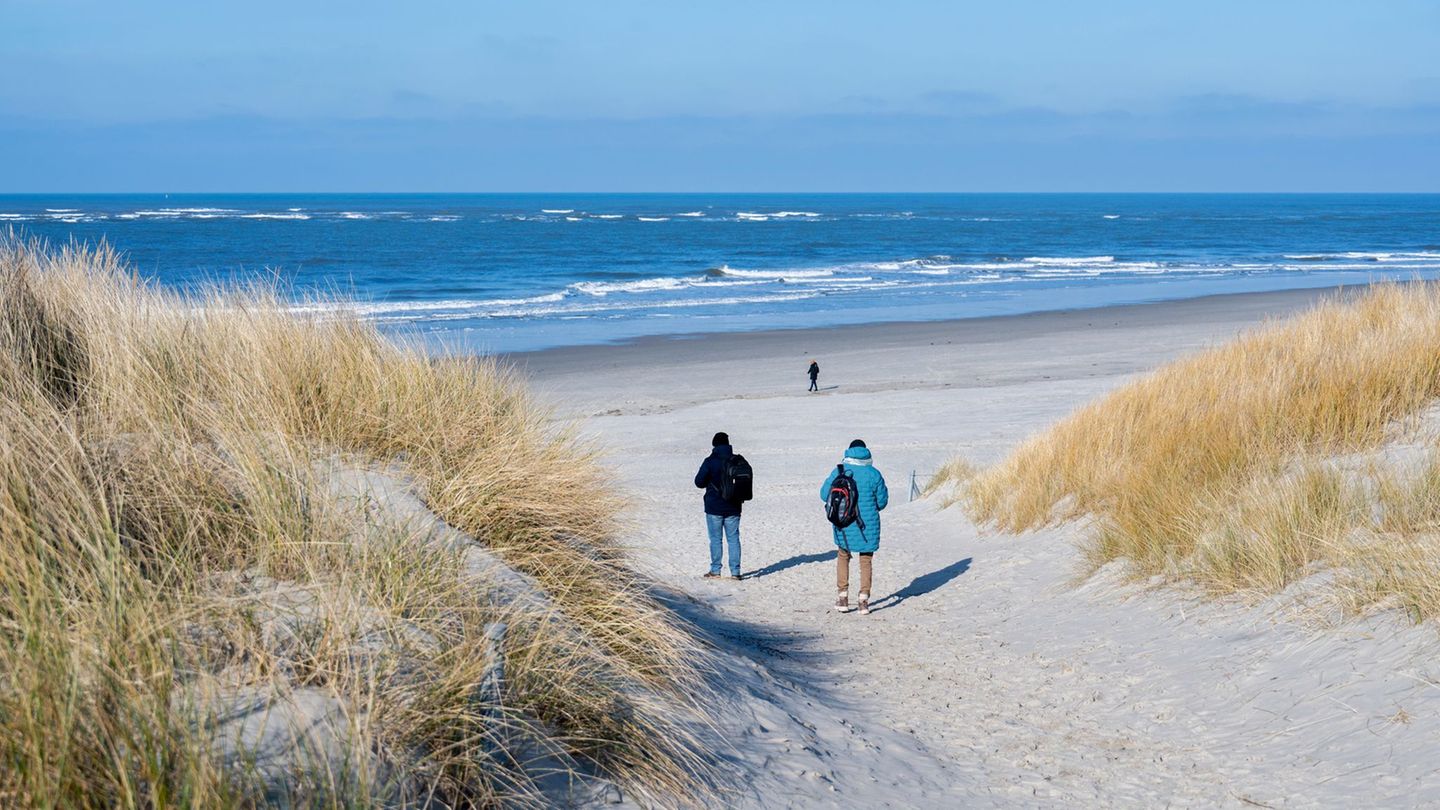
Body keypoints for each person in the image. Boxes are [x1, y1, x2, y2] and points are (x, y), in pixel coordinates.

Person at [821, 439, 888, 615]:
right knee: (865, 560)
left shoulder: (839, 471)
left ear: (848, 452)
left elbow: (823, 494)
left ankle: (843, 598)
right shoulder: (874, 474)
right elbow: (882, 502)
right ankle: (863, 600)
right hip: (868, 525)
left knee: (843, 556)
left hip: (843, 522)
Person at [695, 431, 743, 580]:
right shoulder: (738, 460)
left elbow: (699, 482)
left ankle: (715, 570)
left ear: (714, 445)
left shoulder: (710, 461)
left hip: (714, 506)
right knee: (733, 539)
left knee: (716, 539)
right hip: (734, 506)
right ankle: (735, 572)